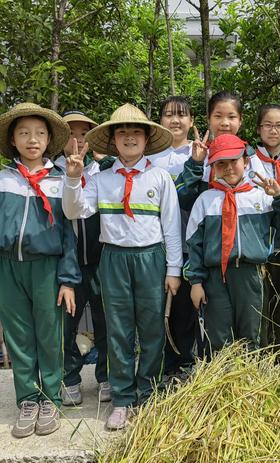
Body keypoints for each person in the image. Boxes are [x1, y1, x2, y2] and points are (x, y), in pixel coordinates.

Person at [62, 104, 182, 430]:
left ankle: (149, 393)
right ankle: (123, 397)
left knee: (152, 328)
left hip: (151, 259)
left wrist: (174, 270)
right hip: (113, 258)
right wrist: (73, 179)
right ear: (113, 140)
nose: (129, 137)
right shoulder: (100, 179)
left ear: (146, 138)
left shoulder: (159, 177)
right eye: (122, 132)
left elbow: (171, 227)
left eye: (136, 132)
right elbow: (75, 211)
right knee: (118, 329)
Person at [0, 103, 80, 438]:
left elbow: (69, 233)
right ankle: (28, 399)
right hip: (8, 267)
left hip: (47, 268)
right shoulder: (4, 178)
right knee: (18, 336)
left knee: (49, 333)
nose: (32, 139)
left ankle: (50, 396)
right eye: (23, 133)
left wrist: (68, 280)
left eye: (39, 133)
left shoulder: (61, 180)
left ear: (49, 141)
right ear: (13, 140)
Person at [185, 134, 280, 357]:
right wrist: (196, 282)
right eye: (221, 164)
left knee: (253, 330)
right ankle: (223, 380)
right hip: (215, 277)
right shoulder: (206, 200)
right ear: (214, 168)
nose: (228, 168)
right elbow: (194, 245)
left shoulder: (262, 198)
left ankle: (250, 381)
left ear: (246, 161)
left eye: (234, 161)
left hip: (252, 275)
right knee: (219, 332)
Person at [55, 110, 115, 406]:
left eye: (83, 134)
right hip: (67, 264)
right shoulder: (51, 172)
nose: (77, 140)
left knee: (105, 319)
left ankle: (106, 377)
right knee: (66, 322)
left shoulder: (103, 172)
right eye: (70, 134)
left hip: (101, 259)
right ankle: (70, 378)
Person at [149, 96, 197, 377]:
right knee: (157, 308)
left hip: (191, 245)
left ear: (191, 122)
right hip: (157, 246)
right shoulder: (150, 157)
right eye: (168, 114)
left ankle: (185, 363)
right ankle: (162, 366)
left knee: (185, 310)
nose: (175, 120)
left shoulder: (201, 152)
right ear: (160, 121)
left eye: (182, 115)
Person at [248, 104, 280, 354]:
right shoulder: (248, 162)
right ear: (258, 129)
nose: (273, 130)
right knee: (258, 300)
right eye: (267, 125)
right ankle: (259, 353)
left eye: (278, 125)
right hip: (256, 240)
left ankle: (278, 355)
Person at [176, 91, 255, 209]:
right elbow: (183, 201)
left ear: (240, 120)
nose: (224, 123)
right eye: (218, 116)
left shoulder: (251, 157)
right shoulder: (199, 155)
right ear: (209, 119)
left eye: (231, 117)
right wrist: (196, 163)